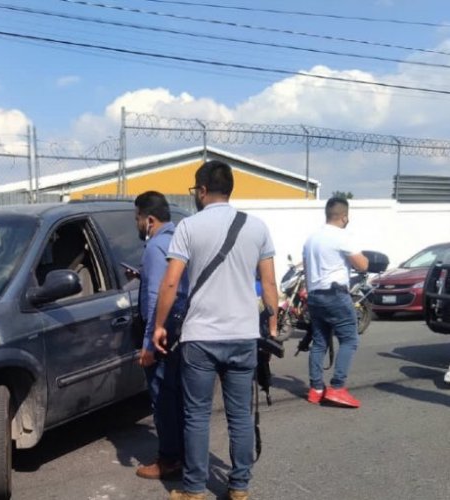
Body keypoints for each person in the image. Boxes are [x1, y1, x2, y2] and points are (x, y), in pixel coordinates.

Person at [153, 160, 278, 500]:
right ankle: (239, 487)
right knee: (240, 415)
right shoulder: (257, 227)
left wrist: (160, 326)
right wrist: (272, 324)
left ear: (203, 190)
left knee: (196, 415)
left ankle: (194, 489)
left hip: (200, 338)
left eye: (196, 191)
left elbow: (170, 282)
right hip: (242, 335)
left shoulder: (188, 228)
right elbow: (268, 283)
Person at [133, 191, 188, 481]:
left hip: (162, 332)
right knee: (178, 397)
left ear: (149, 219)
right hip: (181, 328)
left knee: (162, 399)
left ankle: (168, 460)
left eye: (138, 218)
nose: (138, 223)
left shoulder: (154, 247)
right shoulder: (178, 239)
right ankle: (183, 454)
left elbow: (156, 298)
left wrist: (147, 345)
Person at [302, 197, 369, 408]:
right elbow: (362, 265)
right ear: (344, 216)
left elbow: (306, 268)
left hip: (314, 295)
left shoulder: (311, 239)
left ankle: (316, 389)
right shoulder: (342, 236)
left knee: (320, 342)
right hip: (335, 295)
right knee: (349, 339)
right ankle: (337, 387)